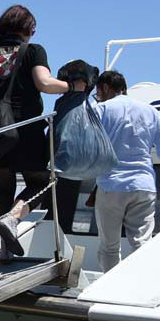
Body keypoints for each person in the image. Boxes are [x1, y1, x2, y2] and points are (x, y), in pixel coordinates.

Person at [0, 5, 69, 258]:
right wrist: (73, 86)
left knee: (4, 188)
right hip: (25, 128)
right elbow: (44, 83)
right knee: (42, 183)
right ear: (28, 28)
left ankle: (4, 251)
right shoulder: (34, 50)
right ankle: (13, 219)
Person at [93, 70, 160, 272]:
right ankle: (139, 289)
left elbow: (88, 145)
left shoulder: (101, 109)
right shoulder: (150, 111)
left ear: (105, 88)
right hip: (144, 186)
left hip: (111, 185)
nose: (98, 96)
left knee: (109, 247)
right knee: (142, 244)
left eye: (98, 92)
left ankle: (109, 290)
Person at [50, 60, 100, 237]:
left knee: (56, 213)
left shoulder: (63, 104)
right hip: (76, 167)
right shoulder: (86, 107)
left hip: (60, 167)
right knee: (63, 210)